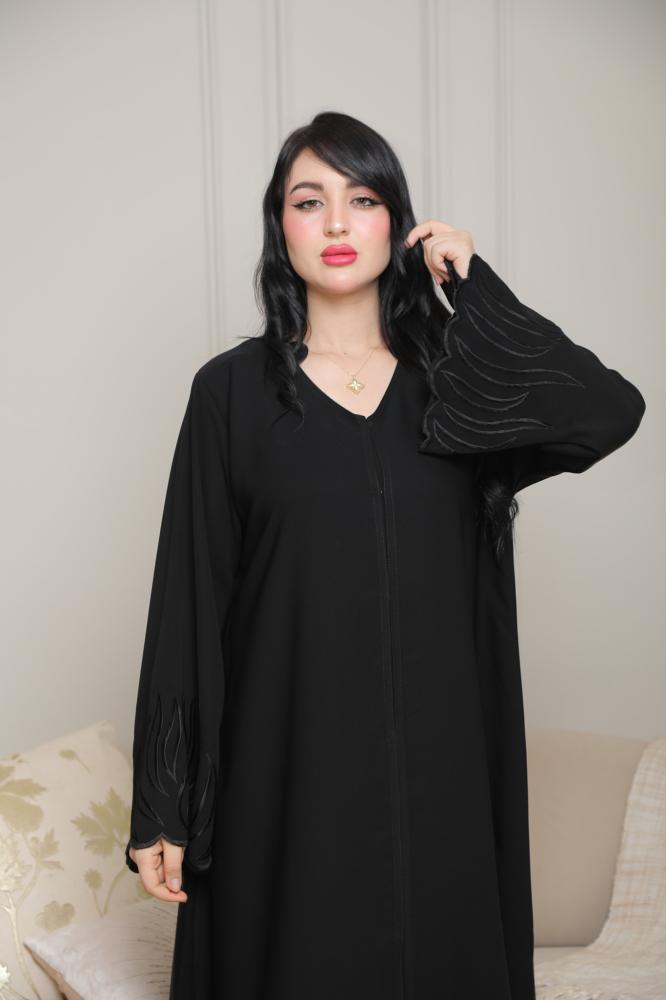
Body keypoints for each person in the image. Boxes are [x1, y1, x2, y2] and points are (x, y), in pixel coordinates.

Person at [124, 111, 645, 1000]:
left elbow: (605, 410)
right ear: (279, 225)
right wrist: (163, 805)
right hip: (285, 774)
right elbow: (189, 600)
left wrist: (475, 293)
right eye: (308, 201)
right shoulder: (230, 396)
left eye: (362, 200)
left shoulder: (457, 388)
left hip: (444, 775)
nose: (335, 223)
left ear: (398, 224)